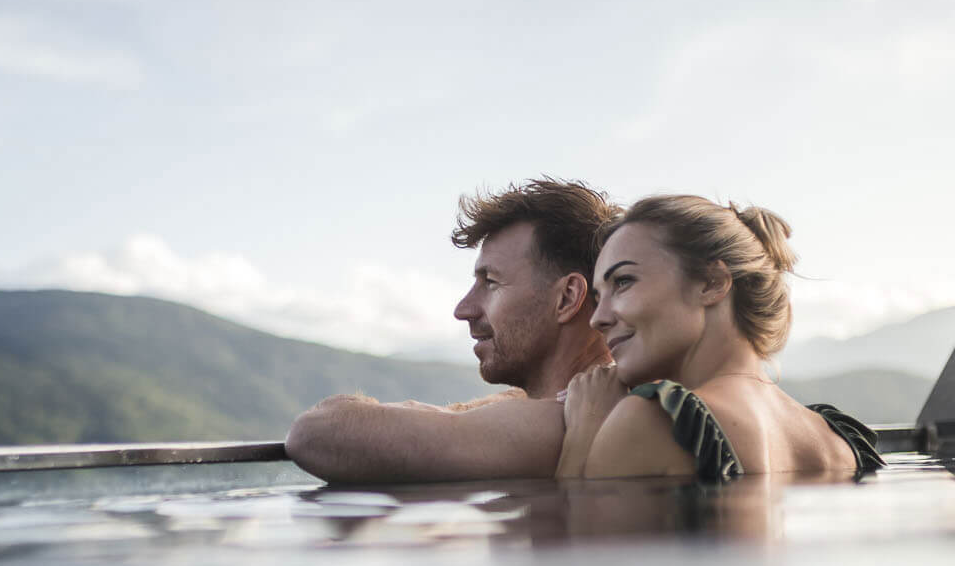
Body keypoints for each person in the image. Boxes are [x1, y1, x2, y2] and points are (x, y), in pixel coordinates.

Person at [286, 179, 622, 482]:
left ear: (567, 298)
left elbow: (315, 434)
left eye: (490, 282)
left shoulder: (557, 422)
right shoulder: (578, 405)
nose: (463, 309)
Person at [556, 195, 884, 482]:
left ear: (712, 282)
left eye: (623, 282)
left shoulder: (652, 419)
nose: (598, 318)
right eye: (599, 297)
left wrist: (584, 431)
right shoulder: (840, 440)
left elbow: (579, 548)